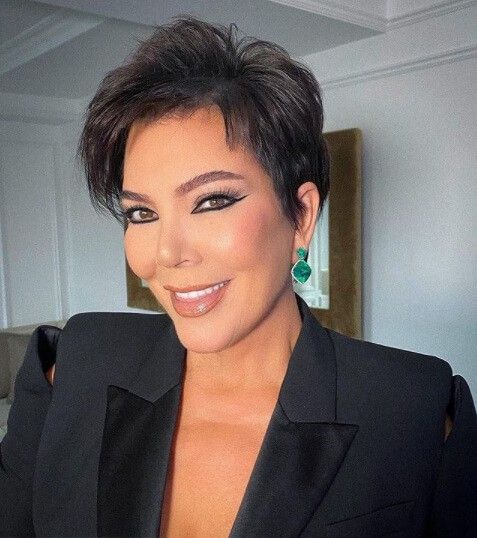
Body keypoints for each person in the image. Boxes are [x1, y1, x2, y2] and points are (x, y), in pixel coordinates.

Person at [1, 14, 476, 538]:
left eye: (212, 201)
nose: (166, 253)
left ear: (301, 216)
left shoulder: (418, 412)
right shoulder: (71, 367)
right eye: (141, 213)